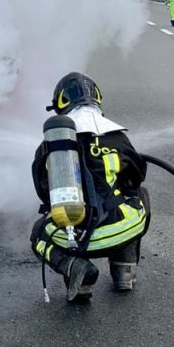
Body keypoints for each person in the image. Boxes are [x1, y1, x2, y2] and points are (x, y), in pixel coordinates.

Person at [30, 72, 151, 302]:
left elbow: (43, 190)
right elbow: (137, 176)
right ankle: (123, 269)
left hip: (76, 238)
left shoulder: (53, 145)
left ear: (61, 103)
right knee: (139, 195)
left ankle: (76, 268)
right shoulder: (116, 136)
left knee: (38, 234)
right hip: (124, 229)